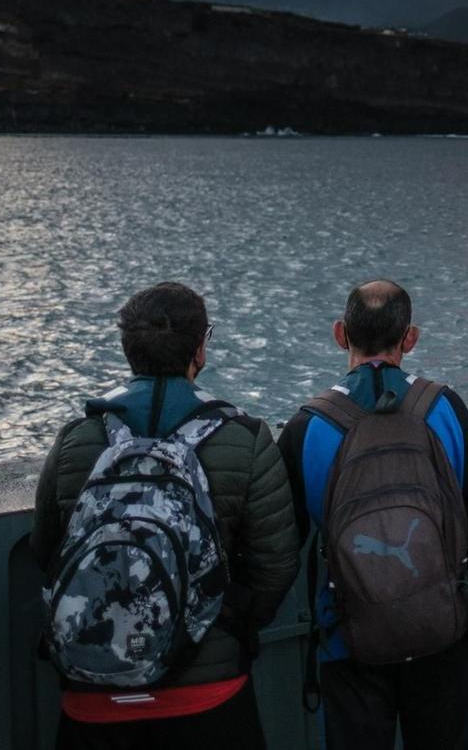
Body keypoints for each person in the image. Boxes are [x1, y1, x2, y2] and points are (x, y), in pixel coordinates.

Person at [31, 282, 300, 749]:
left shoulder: (77, 440)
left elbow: (46, 549)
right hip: (207, 697)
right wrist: (225, 626)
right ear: (200, 349)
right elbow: (276, 564)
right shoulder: (247, 438)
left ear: (127, 350)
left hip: (94, 695)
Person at [278, 280, 468, 749]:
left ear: (341, 334)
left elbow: (282, 545)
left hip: (350, 639)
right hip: (445, 633)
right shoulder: (445, 409)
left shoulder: (307, 426)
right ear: (410, 338)